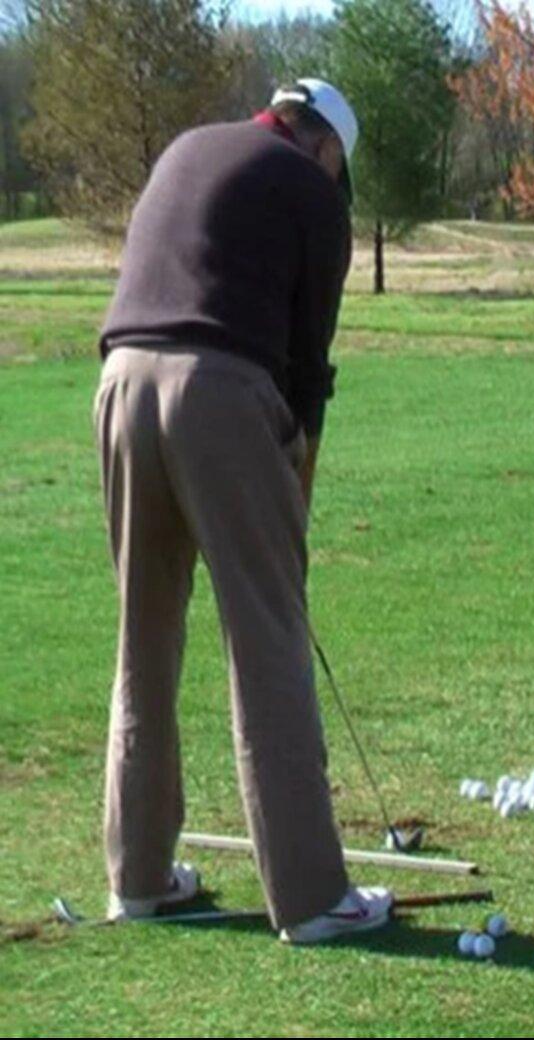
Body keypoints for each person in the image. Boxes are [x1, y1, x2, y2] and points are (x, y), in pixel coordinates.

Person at [94, 78, 391, 943]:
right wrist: (295, 501)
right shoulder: (313, 195)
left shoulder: (185, 145)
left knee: (144, 635)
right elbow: (309, 372)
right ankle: (308, 898)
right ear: (327, 148)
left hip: (118, 385)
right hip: (218, 391)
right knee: (267, 636)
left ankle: (140, 879)